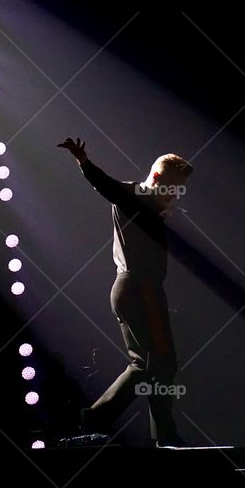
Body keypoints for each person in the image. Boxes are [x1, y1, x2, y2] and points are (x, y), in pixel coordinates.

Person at [57, 137, 193, 447]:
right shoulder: (135, 195)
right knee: (159, 363)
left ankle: (103, 421)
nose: (175, 195)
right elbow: (107, 186)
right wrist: (84, 162)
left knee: (149, 364)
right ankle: (157, 434)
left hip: (135, 289)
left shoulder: (151, 206)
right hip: (139, 288)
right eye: (173, 188)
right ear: (156, 177)